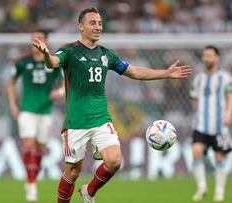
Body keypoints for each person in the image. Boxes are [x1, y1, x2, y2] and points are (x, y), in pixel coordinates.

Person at [32, 7, 192, 203]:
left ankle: (89, 192)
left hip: (101, 118)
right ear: (81, 27)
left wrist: (165, 73)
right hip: (76, 121)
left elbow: (133, 71)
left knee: (115, 161)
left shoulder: (106, 55)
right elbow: (53, 63)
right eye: (93, 23)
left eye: (100, 23)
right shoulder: (70, 50)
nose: (98, 27)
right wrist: (47, 55)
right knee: (72, 172)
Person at [7, 29, 64, 202]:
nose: (36, 42)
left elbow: (64, 84)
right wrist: (13, 105)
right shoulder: (22, 62)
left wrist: (59, 92)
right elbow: (11, 84)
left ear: (46, 41)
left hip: (46, 112)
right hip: (27, 111)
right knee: (29, 145)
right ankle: (31, 185)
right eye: (34, 38)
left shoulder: (53, 62)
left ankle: (32, 177)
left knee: (40, 150)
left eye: (40, 38)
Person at [189, 45, 232, 202]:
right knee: (196, 152)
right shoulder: (198, 79)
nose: (206, 58)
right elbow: (194, 100)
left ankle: (219, 191)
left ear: (217, 58)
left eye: (209, 55)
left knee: (220, 158)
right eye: (204, 55)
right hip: (201, 124)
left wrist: (228, 113)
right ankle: (202, 187)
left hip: (220, 126)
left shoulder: (226, 78)